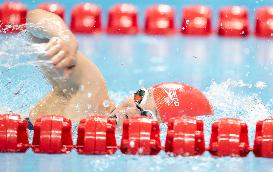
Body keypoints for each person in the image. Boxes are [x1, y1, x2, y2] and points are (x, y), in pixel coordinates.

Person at [26, 9, 213, 126]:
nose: (129, 111)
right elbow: (34, 18)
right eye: (140, 96)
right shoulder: (90, 94)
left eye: (146, 116)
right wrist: (63, 35)